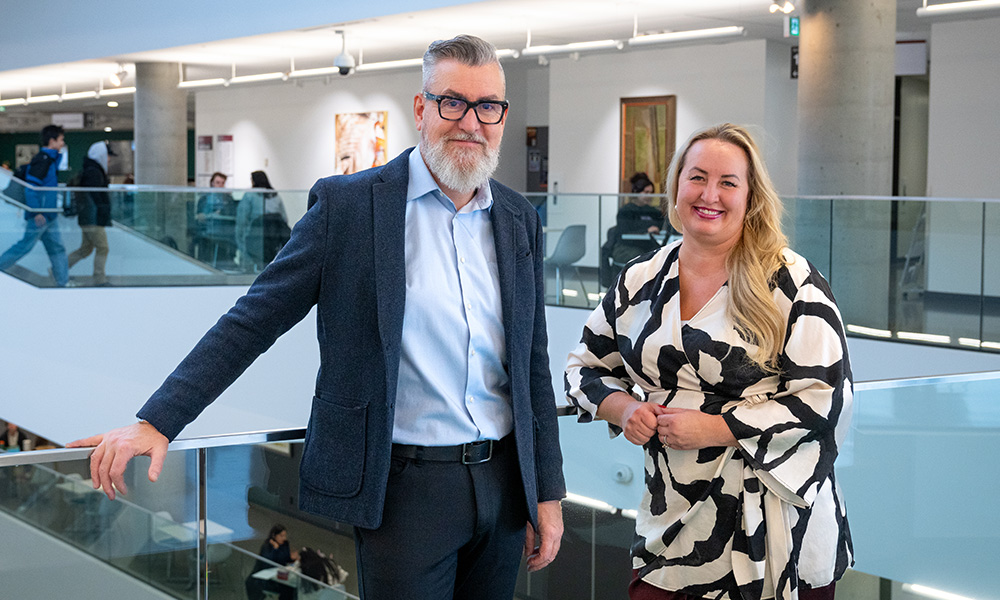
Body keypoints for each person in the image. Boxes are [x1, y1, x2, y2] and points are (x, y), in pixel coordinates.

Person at [69, 34, 566, 600]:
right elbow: (253, 320)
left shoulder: (517, 219)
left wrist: (544, 492)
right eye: (453, 102)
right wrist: (158, 420)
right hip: (402, 489)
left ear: (502, 115)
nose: (470, 122)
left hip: (503, 483)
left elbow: (532, 365)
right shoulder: (349, 208)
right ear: (421, 108)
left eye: (488, 107)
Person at [565, 123, 853, 600]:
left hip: (777, 532)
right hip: (670, 523)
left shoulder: (790, 280)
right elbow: (583, 368)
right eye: (697, 177)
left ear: (751, 196)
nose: (709, 194)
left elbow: (827, 401)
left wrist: (717, 428)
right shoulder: (641, 279)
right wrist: (624, 409)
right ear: (676, 186)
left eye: (728, 182)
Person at [0, 125, 69, 286]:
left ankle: (62, 283)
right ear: (52, 141)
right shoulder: (42, 161)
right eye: (61, 140)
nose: (62, 143)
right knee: (25, 246)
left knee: (57, 249)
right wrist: (37, 212)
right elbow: (31, 189)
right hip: (41, 216)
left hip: (49, 215)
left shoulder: (50, 160)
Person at [67, 141, 114, 286]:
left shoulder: (90, 170)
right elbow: (96, 196)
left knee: (85, 249)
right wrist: (103, 212)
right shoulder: (94, 172)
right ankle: (99, 279)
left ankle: (58, 270)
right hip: (93, 218)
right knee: (103, 247)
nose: (109, 159)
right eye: (107, 156)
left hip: (87, 217)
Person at [235, 170, 288, 269]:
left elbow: (242, 219)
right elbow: (284, 218)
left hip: (254, 237)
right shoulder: (275, 196)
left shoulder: (250, 195)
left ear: (254, 181)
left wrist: (240, 238)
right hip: (274, 240)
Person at [245, 524, 299, 600]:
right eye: (281, 536)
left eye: (285, 536)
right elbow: (268, 563)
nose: (284, 538)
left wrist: (292, 559)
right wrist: (275, 549)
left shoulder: (285, 544)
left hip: (279, 574)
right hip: (267, 578)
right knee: (287, 589)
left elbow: (284, 558)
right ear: (274, 535)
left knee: (292, 588)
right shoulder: (267, 547)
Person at [193, 171, 236, 264]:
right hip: (207, 231)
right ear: (212, 183)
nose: (220, 185)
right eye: (217, 182)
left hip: (224, 232)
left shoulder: (228, 199)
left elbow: (232, 215)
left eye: (222, 183)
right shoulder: (204, 198)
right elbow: (199, 215)